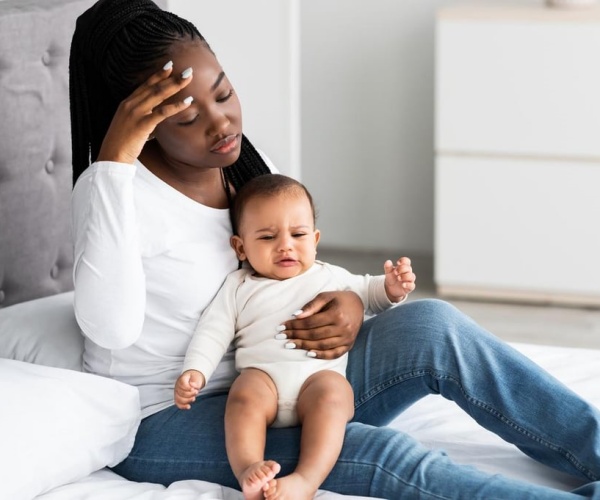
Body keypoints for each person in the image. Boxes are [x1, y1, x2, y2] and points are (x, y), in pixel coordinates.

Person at [69, 0, 600, 498]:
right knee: (379, 452)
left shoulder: (247, 167)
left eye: (225, 94)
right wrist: (115, 158)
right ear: (139, 121)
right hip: (174, 415)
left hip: (289, 374)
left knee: (433, 325)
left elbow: (298, 268)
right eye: (187, 118)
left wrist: (347, 304)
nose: (222, 122)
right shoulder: (114, 191)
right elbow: (109, 328)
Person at [174, 173, 416, 500]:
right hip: (264, 380)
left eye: (298, 234)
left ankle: (305, 480)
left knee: (333, 397)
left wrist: (392, 287)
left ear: (315, 239)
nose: (286, 245)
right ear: (240, 247)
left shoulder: (330, 276)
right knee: (242, 397)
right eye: (268, 237)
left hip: (318, 379)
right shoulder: (239, 286)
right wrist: (195, 371)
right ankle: (248, 468)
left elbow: (370, 293)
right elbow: (213, 331)